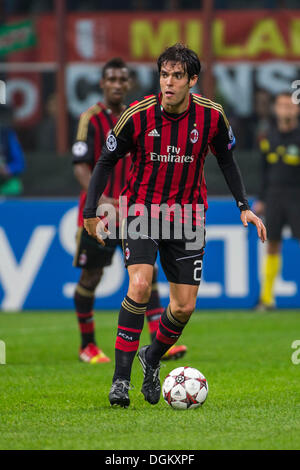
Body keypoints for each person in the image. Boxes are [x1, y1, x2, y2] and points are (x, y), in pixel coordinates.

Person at [83, 44, 266, 407]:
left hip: (187, 216)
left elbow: (227, 161)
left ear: (192, 80)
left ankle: (151, 359)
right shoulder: (137, 115)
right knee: (139, 283)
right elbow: (105, 161)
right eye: (164, 75)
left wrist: (243, 206)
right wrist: (91, 210)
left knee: (183, 307)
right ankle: (121, 382)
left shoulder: (212, 116)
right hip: (142, 211)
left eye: (177, 76)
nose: (169, 83)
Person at [72, 57, 186, 364]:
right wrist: (103, 201)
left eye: (123, 80)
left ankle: (160, 344)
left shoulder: (142, 115)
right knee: (92, 275)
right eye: (112, 79)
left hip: (135, 210)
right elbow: (82, 167)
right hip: (102, 213)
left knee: (147, 276)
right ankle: (88, 345)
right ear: (103, 83)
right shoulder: (90, 119)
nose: (118, 85)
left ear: (129, 84)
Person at [253, 91, 300, 310]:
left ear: (297, 109)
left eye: (290, 106)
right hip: (273, 195)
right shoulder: (267, 136)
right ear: (275, 109)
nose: (286, 110)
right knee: (272, 243)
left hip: (296, 194)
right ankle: (267, 298)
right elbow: (263, 171)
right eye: (281, 105)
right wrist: (261, 198)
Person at [0, 105, 25, 196]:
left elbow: (20, 164)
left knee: (15, 185)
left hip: (5, 182)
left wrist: (7, 169)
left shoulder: (7, 135)